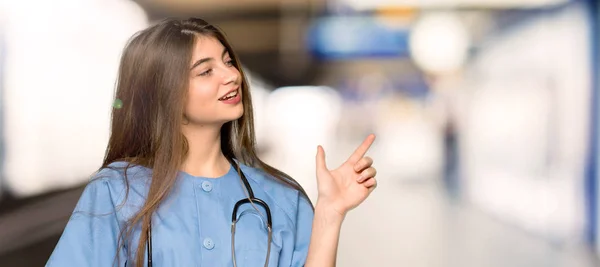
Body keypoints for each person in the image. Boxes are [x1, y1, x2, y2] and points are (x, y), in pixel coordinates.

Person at [45, 17, 378, 267]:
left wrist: (330, 214)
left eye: (228, 61)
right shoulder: (116, 192)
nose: (232, 75)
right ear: (164, 93)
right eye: (206, 71)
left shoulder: (282, 200)